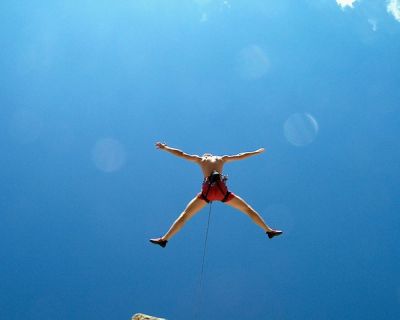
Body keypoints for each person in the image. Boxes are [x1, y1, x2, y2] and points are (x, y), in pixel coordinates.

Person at [150, 142, 282, 248]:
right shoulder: (218, 159)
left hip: (208, 192)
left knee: (185, 215)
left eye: (206, 154)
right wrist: (166, 148)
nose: (206, 154)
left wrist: (166, 148)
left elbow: (183, 154)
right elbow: (240, 155)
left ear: (208, 155)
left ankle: (164, 239)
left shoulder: (203, 159)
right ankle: (268, 230)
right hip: (220, 191)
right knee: (246, 209)